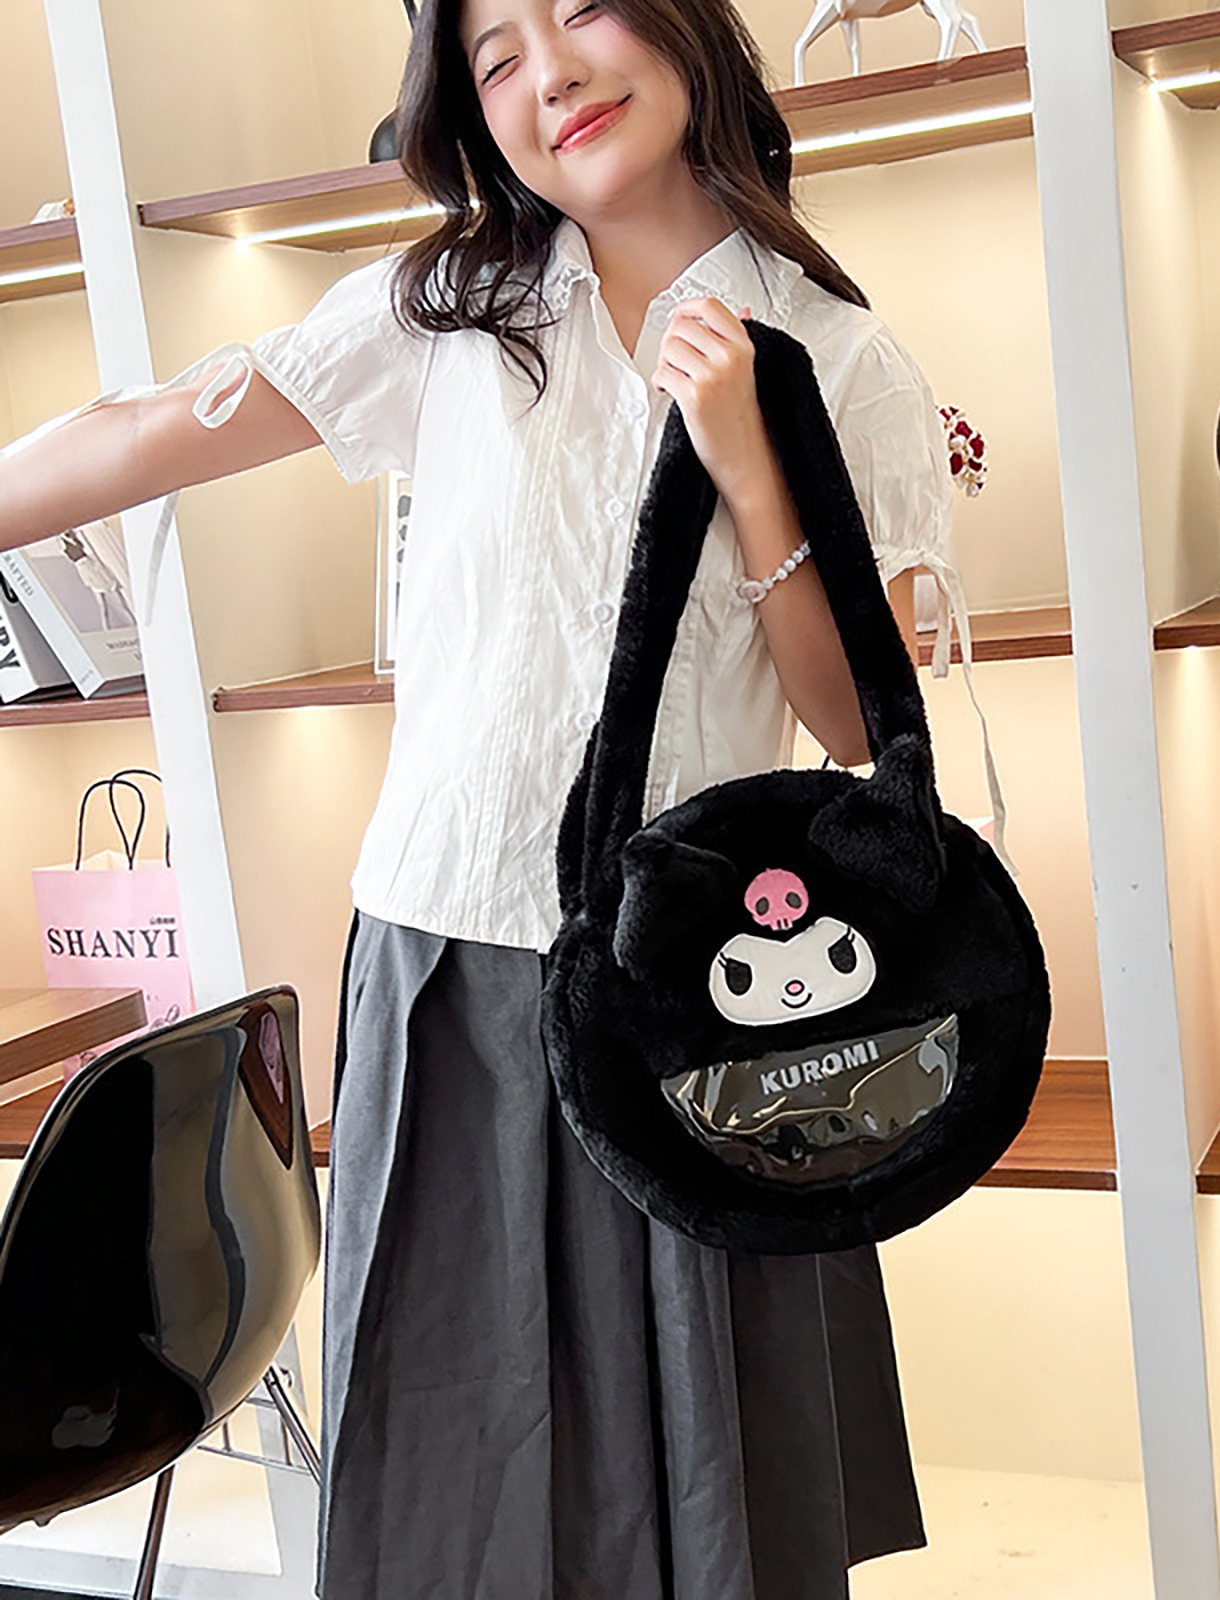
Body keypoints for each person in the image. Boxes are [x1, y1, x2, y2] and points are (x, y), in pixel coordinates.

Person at [0, 1, 965, 1595]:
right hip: (447, 963)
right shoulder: (451, 310)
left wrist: (748, 463)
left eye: (578, 11)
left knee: (711, 1492)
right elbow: (158, 426)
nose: (548, 73)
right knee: (460, 1478)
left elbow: (856, 716)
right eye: (494, 54)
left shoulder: (838, 356)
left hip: (704, 993)